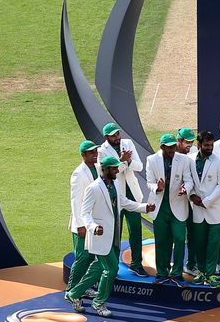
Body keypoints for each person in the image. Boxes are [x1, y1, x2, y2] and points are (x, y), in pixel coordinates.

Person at [66, 156, 154, 317]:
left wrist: (144, 207)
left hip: (113, 237)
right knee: (111, 269)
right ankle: (99, 303)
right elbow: (84, 213)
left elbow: (125, 202)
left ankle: (73, 293)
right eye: (114, 168)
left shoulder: (117, 184)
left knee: (97, 268)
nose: (116, 170)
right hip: (99, 238)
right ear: (105, 170)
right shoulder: (93, 188)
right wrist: (92, 227)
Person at [97, 122, 147, 276]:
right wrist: (124, 161)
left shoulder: (128, 143)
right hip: (114, 193)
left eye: (118, 133)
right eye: (113, 135)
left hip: (132, 192)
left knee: (136, 230)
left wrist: (128, 162)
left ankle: (136, 263)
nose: (117, 137)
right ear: (106, 137)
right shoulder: (101, 151)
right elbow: (107, 172)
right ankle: (113, 266)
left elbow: (139, 166)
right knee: (115, 232)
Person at [146, 133, 195, 285]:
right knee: (161, 240)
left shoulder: (184, 159)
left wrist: (185, 189)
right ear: (162, 147)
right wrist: (157, 187)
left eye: (174, 146)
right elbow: (149, 182)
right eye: (169, 147)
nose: (172, 149)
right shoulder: (152, 159)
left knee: (180, 238)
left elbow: (188, 180)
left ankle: (177, 272)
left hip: (179, 204)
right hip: (160, 206)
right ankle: (162, 272)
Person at [188, 131, 220, 288]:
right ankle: (202, 271)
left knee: (213, 244)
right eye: (206, 145)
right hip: (197, 208)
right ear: (199, 145)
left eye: (211, 145)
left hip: (215, 208)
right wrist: (191, 196)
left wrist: (207, 201)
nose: (210, 148)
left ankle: (211, 274)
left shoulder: (219, 161)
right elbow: (188, 180)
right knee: (200, 243)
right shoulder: (190, 160)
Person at [66, 141, 100, 299]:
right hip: (82, 225)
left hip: (93, 222)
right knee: (82, 258)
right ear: (83, 155)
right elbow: (75, 201)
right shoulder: (79, 174)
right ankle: (71, 290)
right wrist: (80, 225)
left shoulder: (97, 169)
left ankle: (82, 288)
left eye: (95, 151)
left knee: (91, 256)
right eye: (91, 152)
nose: (95, 154)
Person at [176, 127, 199, 276]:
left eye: (191, 142)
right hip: (175, 200)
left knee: (193, 233)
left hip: (191, 200)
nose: (189, 145)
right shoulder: (171, 152)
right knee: (177, 236)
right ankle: (172, 267)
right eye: (186, 142)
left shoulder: (194, 151)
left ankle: (191, 264)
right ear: (179, 141)